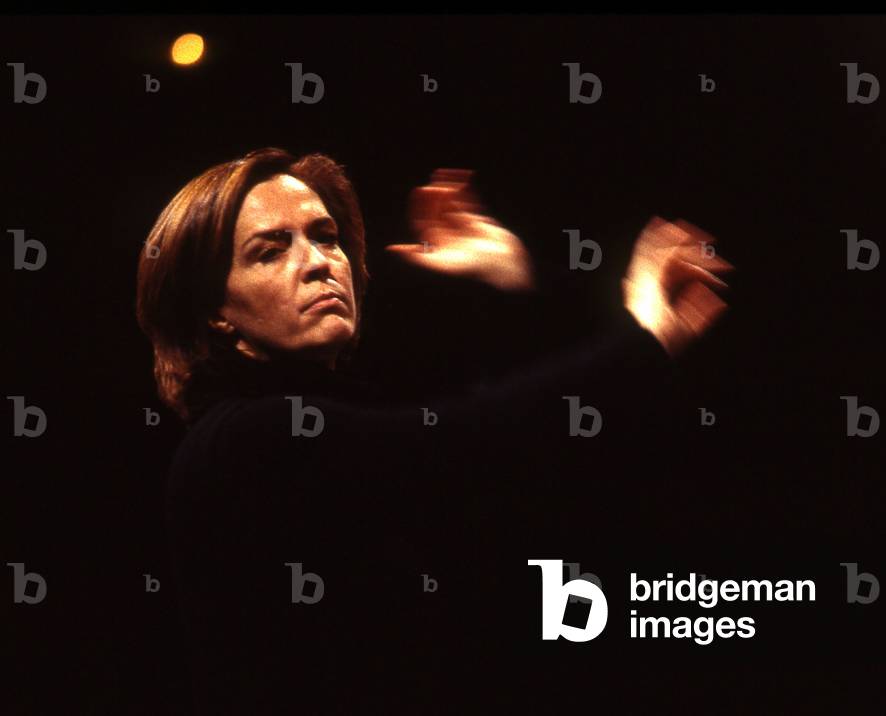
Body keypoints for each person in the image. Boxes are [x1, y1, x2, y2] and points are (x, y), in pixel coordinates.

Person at [136, 147, 732, 714]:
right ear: (215, 312)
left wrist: (515, 279)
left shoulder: (335, 416)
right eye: (270, 251)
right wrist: (641, 335)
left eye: (325, 236)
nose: (319, 261)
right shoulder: (243, 440)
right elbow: (467, 445)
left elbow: (534, 453)